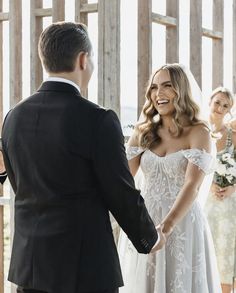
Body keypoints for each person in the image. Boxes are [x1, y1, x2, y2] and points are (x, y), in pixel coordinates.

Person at [1, 22, 165, 293]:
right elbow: (120, 192)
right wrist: (150, 237)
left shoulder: (14, 117)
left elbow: (20, 184)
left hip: (30, 267)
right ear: (82, 59)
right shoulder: (98, 119)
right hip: (84, 269)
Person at [118, 63, 222, 293]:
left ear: (181, 90)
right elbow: (123, 179)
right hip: (145, 223)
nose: (159, 94)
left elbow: (192, 185)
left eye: (167, 86)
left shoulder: (199, 132)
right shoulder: (143, 131)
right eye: (154, 87)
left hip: (182, 223)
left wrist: (166, 227)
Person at [205, 87, 236, 293]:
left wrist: (233, 186)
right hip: (204, 200)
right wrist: (208, 183)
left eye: (226, 106)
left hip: (227, 205)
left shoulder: (232, 135)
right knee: (207, 252)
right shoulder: (199, 129)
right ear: (210, 102)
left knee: (225, 254)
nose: (220, 108)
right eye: (217, 102)